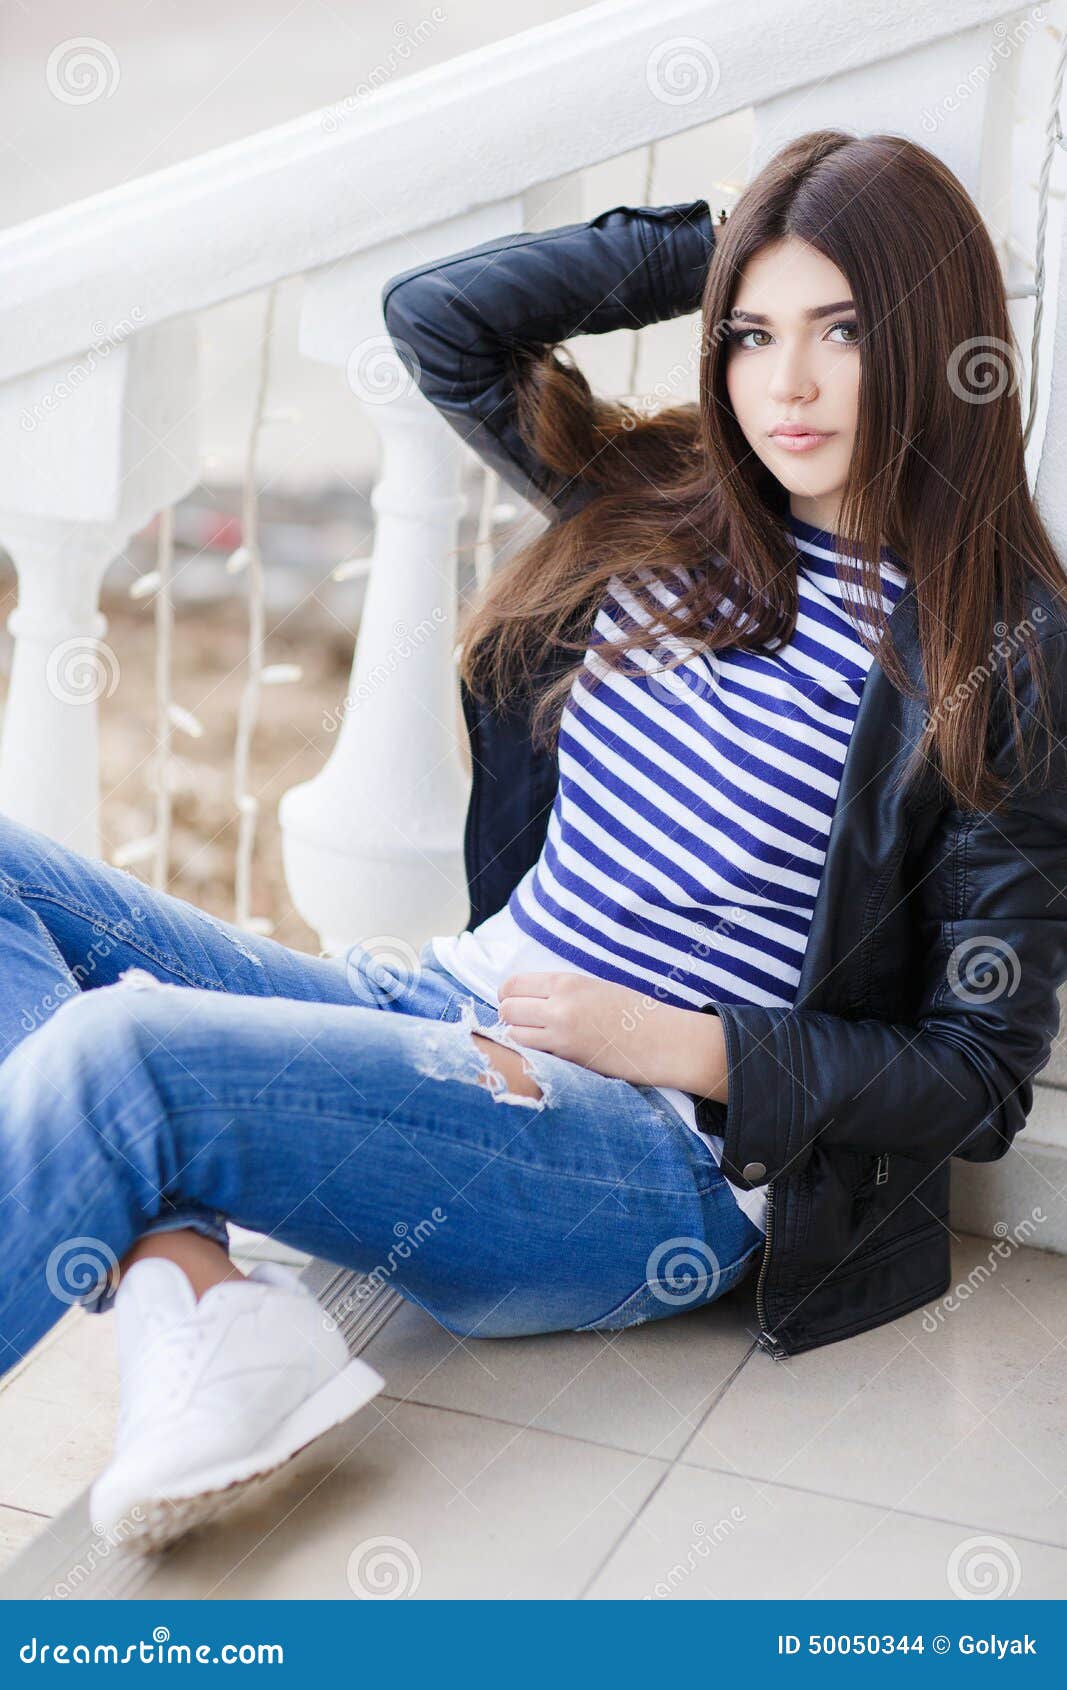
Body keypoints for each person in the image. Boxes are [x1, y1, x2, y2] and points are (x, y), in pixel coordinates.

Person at [2, 128, 1065, 1556]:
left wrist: (677, 1044)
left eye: (846, 330)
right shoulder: (676, 500)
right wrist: (735, 231)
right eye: (752, 332)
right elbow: (440, 320)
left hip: (645, 1156)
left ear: (938, 337)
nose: (786, 384)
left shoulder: (1009, 650)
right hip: (444, 1012)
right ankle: (198, 1298)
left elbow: (976, 1072)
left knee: (115, 1059)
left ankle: (197, 1300)